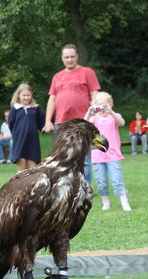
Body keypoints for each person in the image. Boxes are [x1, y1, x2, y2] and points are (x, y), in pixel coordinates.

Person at [44, 43, 101, 183]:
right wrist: (47, 121)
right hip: (61, 124)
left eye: (72, 57)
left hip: (82, 122)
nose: (69, 60)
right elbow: (52, 100)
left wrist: (95, 113)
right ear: (62, 58)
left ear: (77, 57)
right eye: (66, 57)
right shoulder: (57, 76)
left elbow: (95, 95)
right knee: (62, 157)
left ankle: (85, 187)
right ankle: (66, 186)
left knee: (84, 158)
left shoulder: (88, 72)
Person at [84, 91, 131, 211]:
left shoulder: (114, 117)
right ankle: (106, 202)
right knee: (101, 181)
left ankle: (124, 202)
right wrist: (89, 113)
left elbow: (122, 123)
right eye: (99, 106)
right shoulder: (94, 119)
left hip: (113, 156)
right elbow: (83, 125)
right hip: (98, 156)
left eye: (105, 106)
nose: (102, 109)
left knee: (117, 179)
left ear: (110, 104)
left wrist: (111, 112)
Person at [9, 83, 45, 172]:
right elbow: (11, 124)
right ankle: (19, 186)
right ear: (19, 95)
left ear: (31, 95)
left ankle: (31, 186)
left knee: (32, 168)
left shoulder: (35, 108)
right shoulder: (15, 109)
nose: (26, 97)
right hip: (20, 142)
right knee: (22, 168)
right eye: (24, 95)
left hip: (33, 142)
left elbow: (41, 123)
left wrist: (45, 127)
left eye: (28, 95)